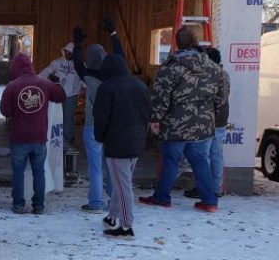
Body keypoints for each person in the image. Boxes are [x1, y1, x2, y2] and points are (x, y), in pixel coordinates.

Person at [140, 27, 227, 213]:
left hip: (175, 127)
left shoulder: (170, 69)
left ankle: (162, 198)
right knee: (201, 162)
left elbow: (160, 97)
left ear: (177, 43)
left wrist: (155, 119)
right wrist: (209, 115)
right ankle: (210, 202)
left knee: (171, 161)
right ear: (197, 42)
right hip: (203, 127)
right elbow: (221, 98)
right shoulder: (214, 69)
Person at [0, 52, 66, 214]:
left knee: (18, 173)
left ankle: (18, 204)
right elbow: (60, 97)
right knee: (39, 172)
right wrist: (56, 84)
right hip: (39, 137)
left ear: (15, 68)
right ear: (31, 66)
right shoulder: (44, 83)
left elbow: (5, 111)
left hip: (19, 138)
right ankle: (39, 205)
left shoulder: (12, 87)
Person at [94, 53, 151, 238]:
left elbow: (101, 118)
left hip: (117, 143)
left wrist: (100, 137)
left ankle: (126, 226)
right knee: (122, 183)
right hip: (137, 140)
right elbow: (148, 113)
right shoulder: (140, 85)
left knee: (123, 186)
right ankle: (112, 217)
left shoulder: (107, 88)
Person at [73, 17, 124, 212]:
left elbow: (78, 63)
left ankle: (95, 203)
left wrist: (78, 44)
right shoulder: (116, 76)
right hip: (113, 126)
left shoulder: (88, 76)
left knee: (95, 166)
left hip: (93, 125)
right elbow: (120, 56)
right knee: (112, 164)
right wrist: (113, 34)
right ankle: (113, 198)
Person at [185, 47, 230, 199]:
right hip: (221, 120)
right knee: (216, 155)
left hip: (208, 121)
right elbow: (222, 99)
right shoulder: (224, 74)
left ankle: (204, 189)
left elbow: (211, 99)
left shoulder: (210, 75)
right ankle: (216, 189)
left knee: (203, 156)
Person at [39, 43, 83, 150]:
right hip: (57, 95)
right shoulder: (57, 63)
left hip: (71, 96)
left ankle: (67, 142)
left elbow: (84, 79)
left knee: (68, 119)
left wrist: (84, 88)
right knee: (55, 118)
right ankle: (54, 141)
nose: (69, 54)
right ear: (64, 52)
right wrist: (37, 79)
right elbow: (46, 72)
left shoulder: (80, 65)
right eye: (68, 52)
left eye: (71, 53)